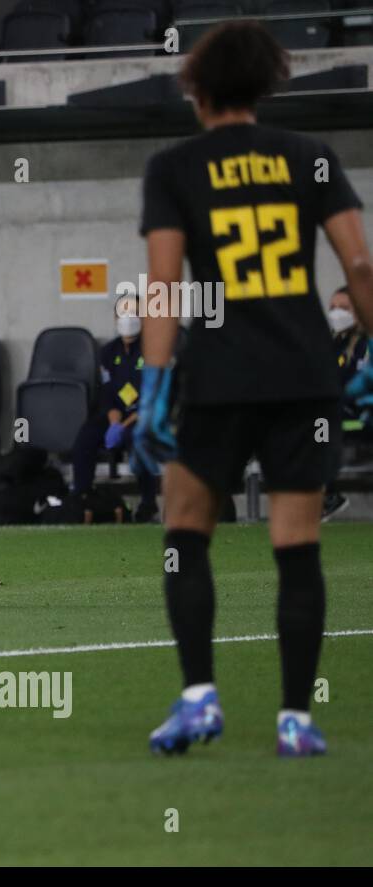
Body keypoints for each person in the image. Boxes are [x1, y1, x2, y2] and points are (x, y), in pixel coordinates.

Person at [134, 22, 373, 758]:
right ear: (266, 86)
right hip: (305, 377)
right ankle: (296, 718)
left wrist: (152, 385)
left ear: (197, 91)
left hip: (218, 377)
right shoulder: (313, 157)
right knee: (297, 546)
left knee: (185, 536)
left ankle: (200, 698)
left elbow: (165, 288)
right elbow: (359, 268)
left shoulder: (175, 166)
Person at [70, 293, 159, 523]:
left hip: (145, 414)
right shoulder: (108, 353)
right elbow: (108, 394)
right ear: (115, 317)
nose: (128, 318)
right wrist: (114, 423)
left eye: (134, 312)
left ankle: (148, 503)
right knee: (86, 436)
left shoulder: (154, 350)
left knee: (138, 439)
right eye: (123, 312)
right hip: (117, 415)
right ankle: (82, 496)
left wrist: (126, 425)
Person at [321, 285, 369, 518]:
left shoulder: (366, 345)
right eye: (333, 308)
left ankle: (327, 493)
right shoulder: (333, 344)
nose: (337, 313)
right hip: (335, 418)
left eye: (344, 308)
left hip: (360, 419)